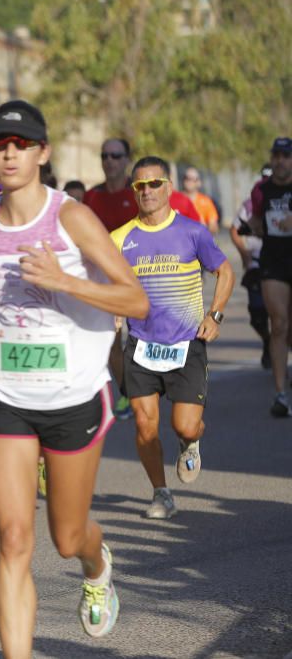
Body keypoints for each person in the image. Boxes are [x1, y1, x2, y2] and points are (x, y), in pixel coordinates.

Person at [0, 100, 149, 657]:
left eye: (20, 146)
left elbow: (135, 299)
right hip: (3, 393)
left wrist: (65, 280)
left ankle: (97, 567)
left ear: (41, 154)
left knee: (67, 536)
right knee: (12, 537)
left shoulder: (70, 217)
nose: (8, 155)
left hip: (74, 395)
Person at [112, 157, 233, 519]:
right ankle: (160, 493)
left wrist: (215, 315)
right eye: (139, 186)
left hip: (186, 343)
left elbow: (224, 271)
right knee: (145, 425)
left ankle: (190, 439)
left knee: (184, 423)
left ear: (168, 187)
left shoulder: (192, 232)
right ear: (133, 191)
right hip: (141, 344)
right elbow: (106, 283)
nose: (146, 191)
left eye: (154, 184)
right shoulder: (119, 238)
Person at [84, 139, 201, 421]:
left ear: (126, 159)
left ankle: (168, 389)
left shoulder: (142, 192)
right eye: (104, 155)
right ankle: (129, 393)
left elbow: (177, 225)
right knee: (111, 341)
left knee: (147, 337)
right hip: (107, 280)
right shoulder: (92, 198)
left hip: (147, 279)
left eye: (116, 155)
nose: (109, 160)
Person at [250, 137, 292, 416]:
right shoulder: (261, 190)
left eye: (285, 156)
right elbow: (256, 221)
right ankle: (280, 393)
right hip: (273, 262)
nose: (279, 160)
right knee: (278, 324)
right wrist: (252, 228)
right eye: (276, 155)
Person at [230, 165, 273, 369]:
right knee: (257, 315)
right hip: (257, 264)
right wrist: (245, 255)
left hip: (282, 263)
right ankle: (268, 340)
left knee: (283, 317)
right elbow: (235, 230)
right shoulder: (249, 204)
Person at [181, 167, 220, 234]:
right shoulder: (174, 199)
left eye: (193, 179)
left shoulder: (206, 201)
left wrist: (204, 227)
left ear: (199, 182)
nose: (189, 181)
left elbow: (214, 226)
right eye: (186, 178)